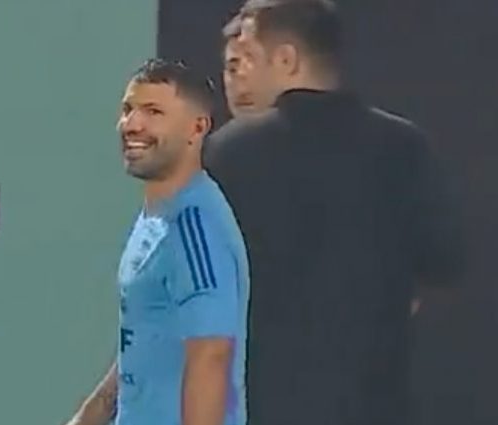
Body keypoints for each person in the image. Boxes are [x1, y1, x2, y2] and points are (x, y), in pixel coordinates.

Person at [204, 1, 464, 424]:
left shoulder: (228, 154)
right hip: (378, 407)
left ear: (286, 59)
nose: (239, 75)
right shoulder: (404, 148)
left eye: (249, 57)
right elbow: (446, 262)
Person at [67, 59, 250, 425]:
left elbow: (211, 356)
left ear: (197, 128)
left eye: (153, 112)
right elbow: (144, 339)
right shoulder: (156, 217)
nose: (133, 124)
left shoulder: (196, 228)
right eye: (128, 109)